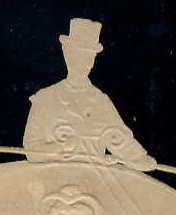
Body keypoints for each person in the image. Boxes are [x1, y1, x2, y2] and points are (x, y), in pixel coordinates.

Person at [23, 18, 157, 171]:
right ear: (67, 53)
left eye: (89, 57)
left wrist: (138, 158)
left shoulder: (100, 102)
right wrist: (58, 149)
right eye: (78, 55)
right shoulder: (46, 99)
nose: (83, 63)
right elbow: (31, 148)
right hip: (53, 177)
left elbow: (120, 140)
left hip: (94, 180)